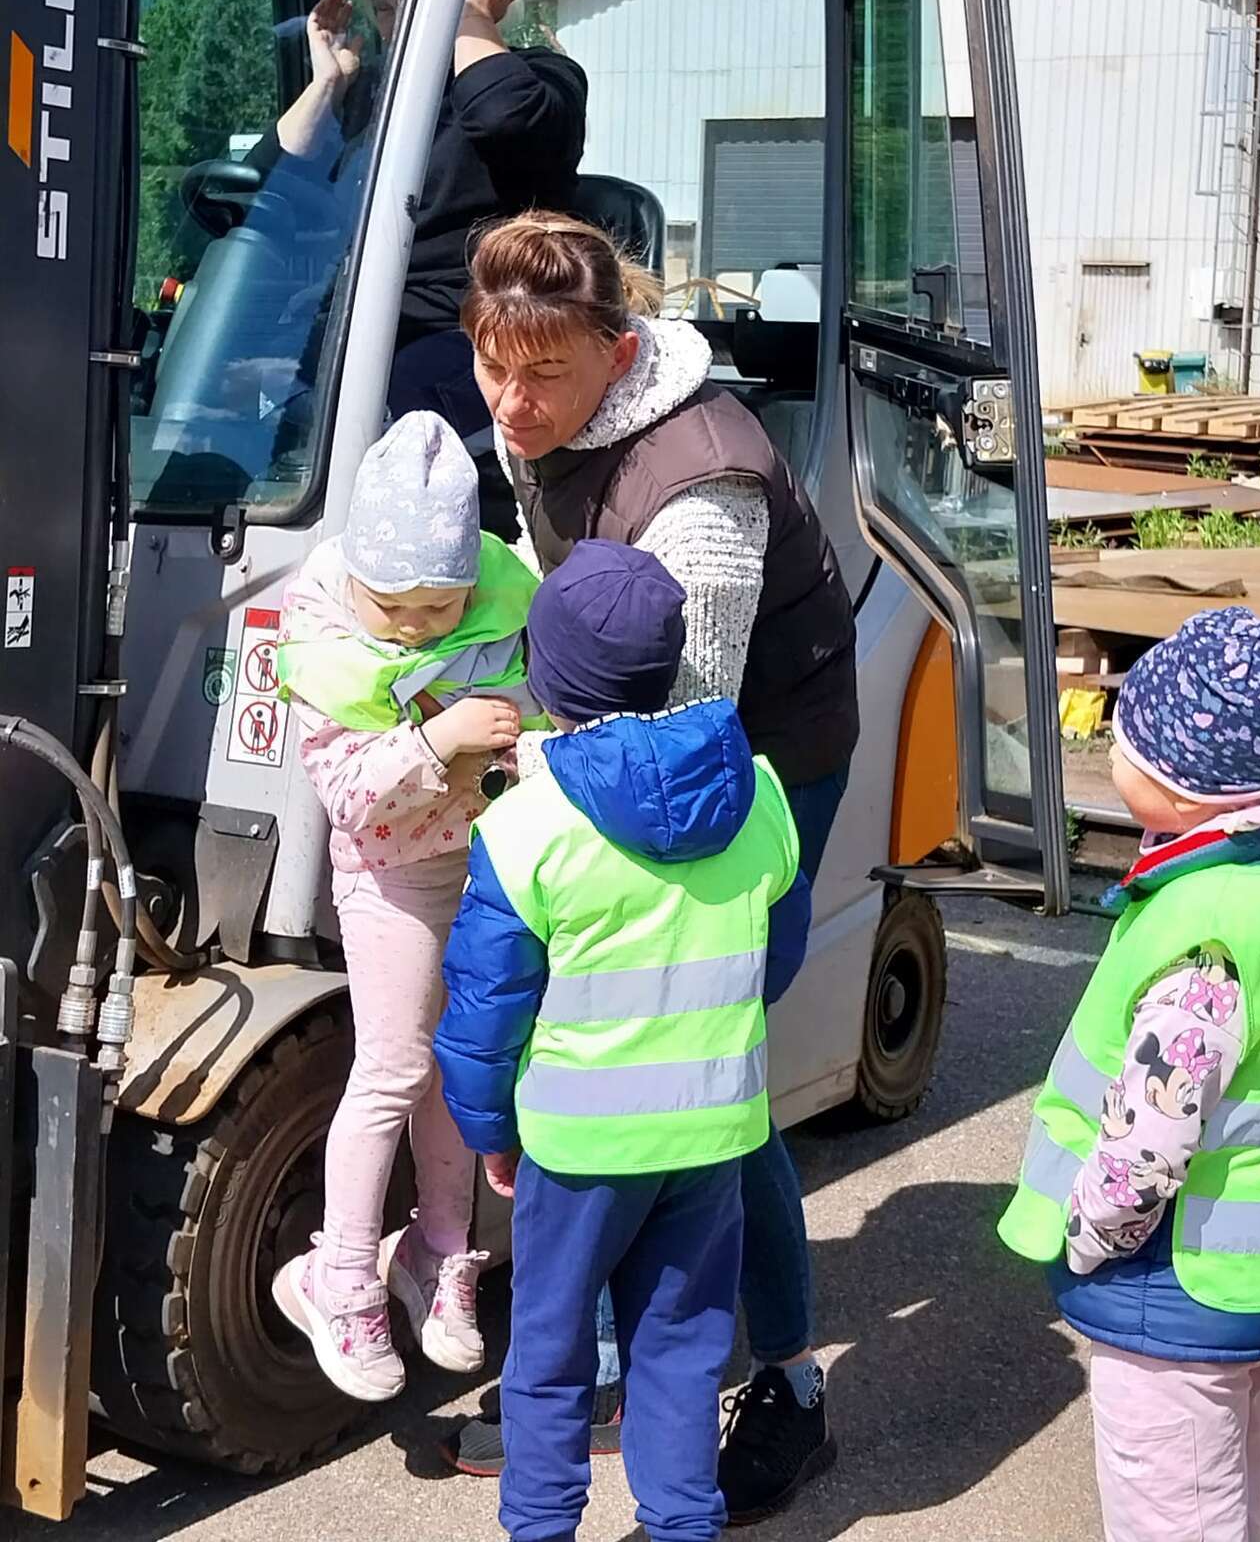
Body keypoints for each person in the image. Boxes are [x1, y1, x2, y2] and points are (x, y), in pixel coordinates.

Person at [444, 213, 857, 1521]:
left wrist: (521, 791)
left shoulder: (705, 487)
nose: (511, 404)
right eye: (491, 367)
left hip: (752, 762)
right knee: (669, 1067)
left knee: (710, 1059)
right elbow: (567, 589)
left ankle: (787, 1381)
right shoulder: (547, 420)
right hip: (633, 743)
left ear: (618, 358)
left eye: (543, 376)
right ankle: (630, 1364)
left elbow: (685, 727)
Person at [434, 539, 813, 1542]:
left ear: (546, 678)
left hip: (578, 1146)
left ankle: (542, 1527)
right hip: (712, 1134)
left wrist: (492, 1132)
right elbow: (778, 954)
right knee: (683, 1348)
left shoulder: (528, 825)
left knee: (550, 1355)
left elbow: (484, 1010)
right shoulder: (758, 794)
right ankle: (684, 1523)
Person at [998, 606, 1260, 1542]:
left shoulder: (1205, 935)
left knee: (1176, 1521)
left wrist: (1088, 1238)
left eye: (1126, 737)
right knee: (1223, 1499)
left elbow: (1147, 1147)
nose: (1110, 746)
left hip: (1171, 1294)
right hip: (1256, 1284)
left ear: (1184, 787)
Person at [271, 410, 542, 1402]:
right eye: (396, 607)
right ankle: (339, 1275)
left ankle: (439, 1251)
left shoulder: (506, 604)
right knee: (390, 1066)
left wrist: (513, 744)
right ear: (356, 578)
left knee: (456, 1071)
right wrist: (444, 739)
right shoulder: (325, 638)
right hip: (389, 876)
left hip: (485, 862)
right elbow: (348, 793)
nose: (420, 626)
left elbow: (540, 711)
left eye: (442, 606)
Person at [253, 0, 588, 534]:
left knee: (394, 398)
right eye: (383, 7)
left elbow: (504, 117)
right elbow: (264, 184)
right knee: (242, 395)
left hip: (469, 330)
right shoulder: (376, 99)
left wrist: (470, 18)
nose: (399, 21)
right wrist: (328, 83)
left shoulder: (545, 77)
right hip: (359, 326)